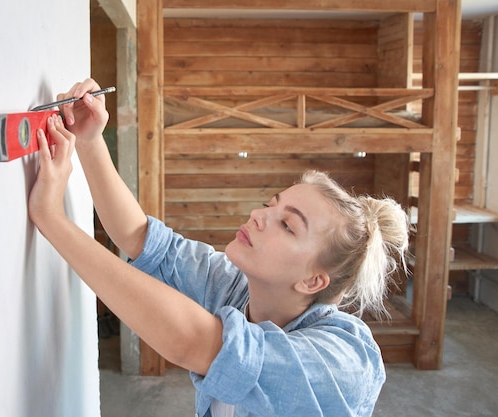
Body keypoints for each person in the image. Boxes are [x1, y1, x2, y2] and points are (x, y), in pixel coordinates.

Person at [28, 78, 410, 417]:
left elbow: (195, 343)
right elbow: (141, 240)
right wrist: (90, 141)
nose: (259, 216)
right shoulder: (237, 289)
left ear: (313, 281)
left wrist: (52, 219)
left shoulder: (343, 363)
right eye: (271, 204)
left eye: (288, 225)